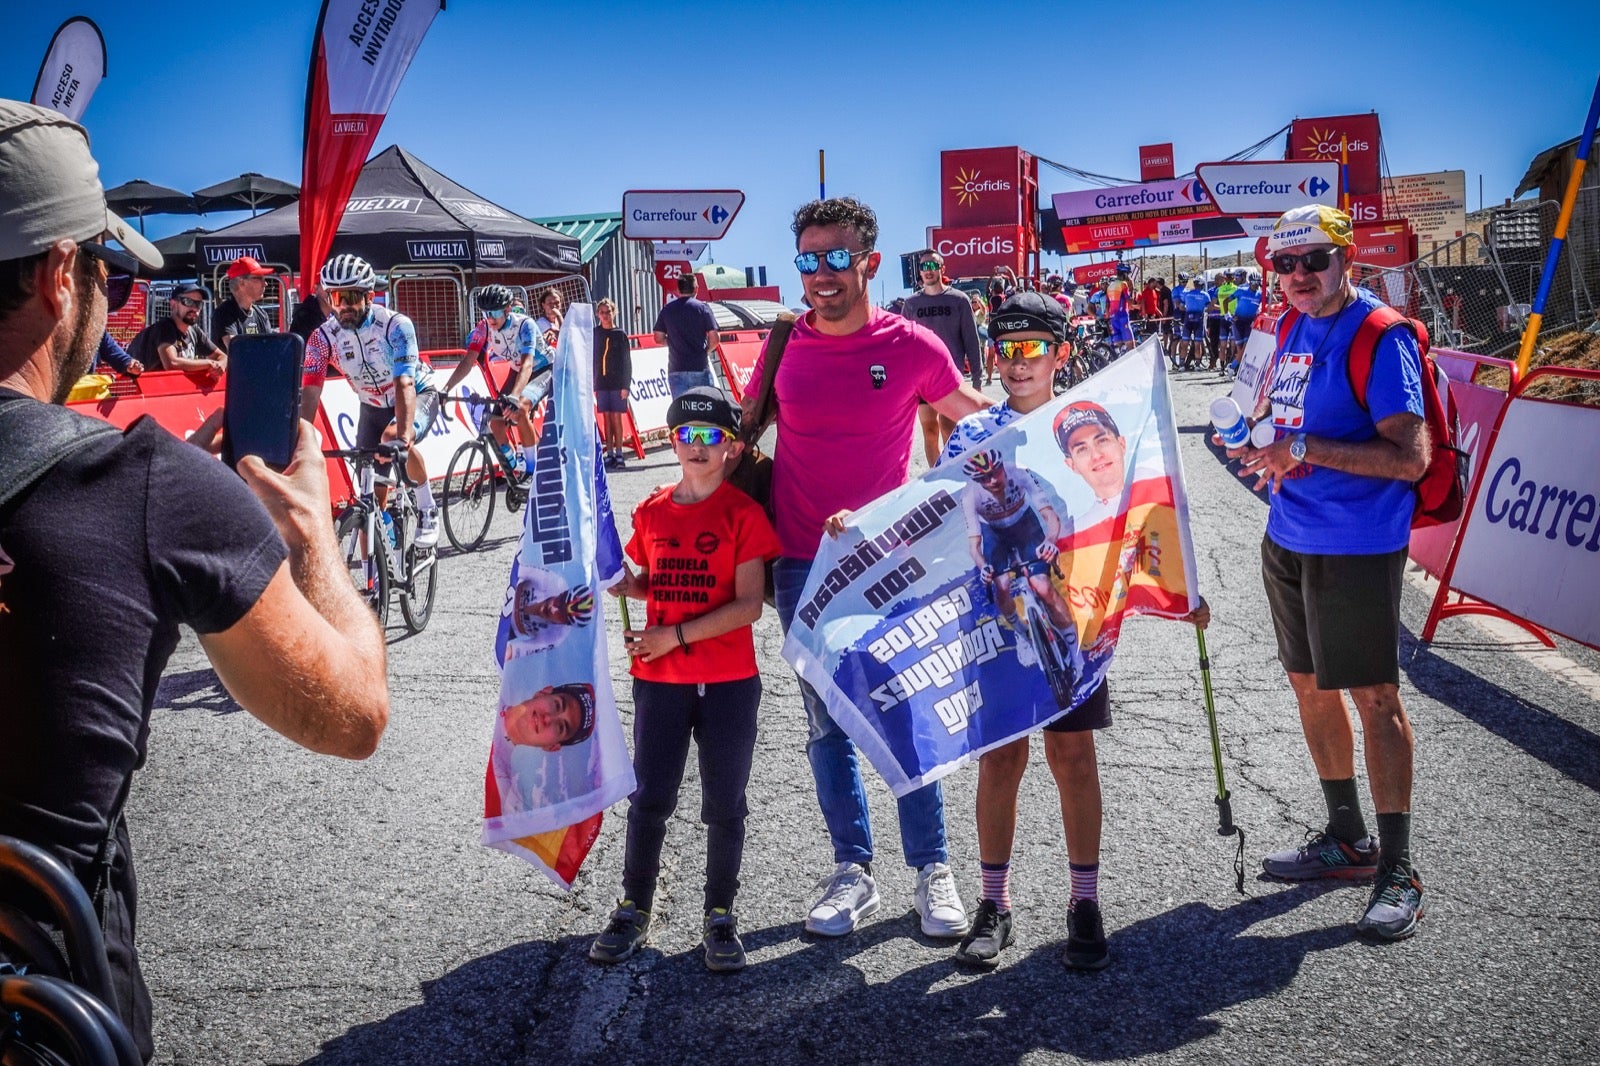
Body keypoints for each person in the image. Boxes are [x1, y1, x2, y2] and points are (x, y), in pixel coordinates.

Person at [0, 99, 389, 1062]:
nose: (111, 291)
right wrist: (311, 537)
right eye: (105, 267)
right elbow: (353, 714)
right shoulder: (144, 484)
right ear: (60, 277)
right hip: (42, 1005)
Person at [940, 291, 1206, 972]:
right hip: (996, 605)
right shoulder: (973, 435)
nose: (1015, 363)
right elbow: (935, 514)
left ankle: (1083, 901)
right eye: (1004, 350)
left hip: (1072, 596)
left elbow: (1136, 509)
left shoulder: (1090, 424)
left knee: (1074, 758)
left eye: (1031, 349)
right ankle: (993, 904)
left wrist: (1180, 593)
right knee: (1001, 760)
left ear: (1060, 353)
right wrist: (858, 524)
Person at [754, 197, 989, 940]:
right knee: (827, 723)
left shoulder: (914, 345)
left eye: (834, 258)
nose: (820, 275)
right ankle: (853, 870)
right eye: (807, 259)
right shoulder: (785, 340)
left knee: (904, 711)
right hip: (800, 560)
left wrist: (1068, 436)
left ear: (868, 262)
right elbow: (742, 432)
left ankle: (933, 868)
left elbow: (975, 419)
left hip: (891, 561)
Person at [1227, 204, 1429, 941]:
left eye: (1314, 259)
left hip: (1358, 541)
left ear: (1348, 258)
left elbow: (1411, 457)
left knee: (1374, 698)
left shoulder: (1380, 334)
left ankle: (1399, 870)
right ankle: (1348, 837)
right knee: (1309, 686)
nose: (1299, 275)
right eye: (1284, 264)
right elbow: (1285, 424)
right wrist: (1258, 441)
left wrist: (1304, 448)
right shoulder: (1286, 326)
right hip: (1290, 533)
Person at [591, 386, 781, 972]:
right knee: (650, 799)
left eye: (710, 437)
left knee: (725, 804)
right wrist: (630, 586)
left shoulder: (744, 515)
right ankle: (633, 908)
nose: (696, 446)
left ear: (732, 447)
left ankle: (720, 915)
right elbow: (662, 580)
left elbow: (748, 604)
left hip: (727, 681)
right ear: (671, 441)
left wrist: (671, 638)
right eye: (685, 435)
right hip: (662, 682)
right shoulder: (650, 511)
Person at [299, 253, 443, 548]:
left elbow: (404, 381)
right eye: (337, 297)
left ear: (370, 295)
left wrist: (402, 437)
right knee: (369, 491)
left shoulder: (395, 325)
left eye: (351, 297)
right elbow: (311, 392)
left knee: (394, 438)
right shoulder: (321, 338)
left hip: (416, 392)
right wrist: (298, 439)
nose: (344, 307)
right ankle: (381, 560)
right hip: (372, 406)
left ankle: (427, 508)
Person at [443, 284, 541, 473]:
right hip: (517, 369)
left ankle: (532, 470)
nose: (491, 318)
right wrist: (446, 388)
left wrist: (514, 395)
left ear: (508, 309)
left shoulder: (524, 325)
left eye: (495, 312)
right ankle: (515, 470)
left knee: (520, 408)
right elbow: (468, 360)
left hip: (541, 369)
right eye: (486, 313)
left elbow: (528, 364)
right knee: (496, 424)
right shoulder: (484, 327)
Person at [903, 250, 983, 463]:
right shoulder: (911, 304)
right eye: (923, 267)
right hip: (921, 381)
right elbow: (903, 346)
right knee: (930, 432)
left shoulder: (959, 300)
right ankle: (936, 480)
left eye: (932, 266)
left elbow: (972, 341)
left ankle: (955, 474)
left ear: (942, 269)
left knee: (951, 432)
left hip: (950, 379)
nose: (928, 271)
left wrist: (977, 378)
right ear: (919, 272)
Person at [131, 282, 224, 377]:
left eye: (198, 304)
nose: (194, 308)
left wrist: (220, 365)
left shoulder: (194, 330)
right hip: (144, 388)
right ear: (173, 304)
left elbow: (223, 357)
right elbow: (171, 363)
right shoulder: (164, 328)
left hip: (170, 388)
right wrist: (209, 364)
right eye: (188, 301)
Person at [652, 272, 722, 398]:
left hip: (676, 368)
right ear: (696, 289)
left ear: (677, 290)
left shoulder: (667, 310)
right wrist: (706, 351)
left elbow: (658, 338)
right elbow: (715, 339)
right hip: (700, 367)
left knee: (682, 413)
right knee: (704, 410)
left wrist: (673, 342)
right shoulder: (703, 308)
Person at [594, 297, 633, 468]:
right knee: (606, 418)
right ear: (598, 314)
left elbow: (627, 361)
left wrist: (626, 385)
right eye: (602, 312)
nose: (605, 315)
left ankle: (619, 453)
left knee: (617, 418)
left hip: (618, 383)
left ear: (613, 312)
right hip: (602, 383)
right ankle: (608, 452)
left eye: (608, 312)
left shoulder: (620, 334)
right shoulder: (595, 333)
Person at [499, 684, 596, 751]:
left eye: (560, 727)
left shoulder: (500, 773)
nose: (548, 718)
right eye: (557, 705)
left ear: (551, 747)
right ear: (543, 692)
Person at [211, 256, 274, 351]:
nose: (265, 283)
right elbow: (236, 350)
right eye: (259, 278)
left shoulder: (261, 314)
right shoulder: (224, 313)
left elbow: (271, 348)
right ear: (241, 283)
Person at [1228, 272, 1263, 379]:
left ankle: (1233, 366)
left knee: (1246, 347)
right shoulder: (1241, 290)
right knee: (1240, 349)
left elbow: (1272, 301)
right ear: (1249, 282)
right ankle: (1236, 370)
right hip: (1238, 321)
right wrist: (1227, 315)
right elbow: (1226, 301)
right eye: (1253, 283)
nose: (1255, 285)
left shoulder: (1260, 294)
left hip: (1249, 323)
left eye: (1257, 283)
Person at [1104, 263, 1135, 354]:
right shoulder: (1123, 284)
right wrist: (1132, 289)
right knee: (1131, 348)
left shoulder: (1109, 287)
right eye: (1127, 274)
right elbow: (1130, 302)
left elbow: (1107, 305)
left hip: (1113, 319)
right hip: (1123, 317)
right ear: (1124, 274)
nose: (1128, 277)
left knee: (1121, 350)